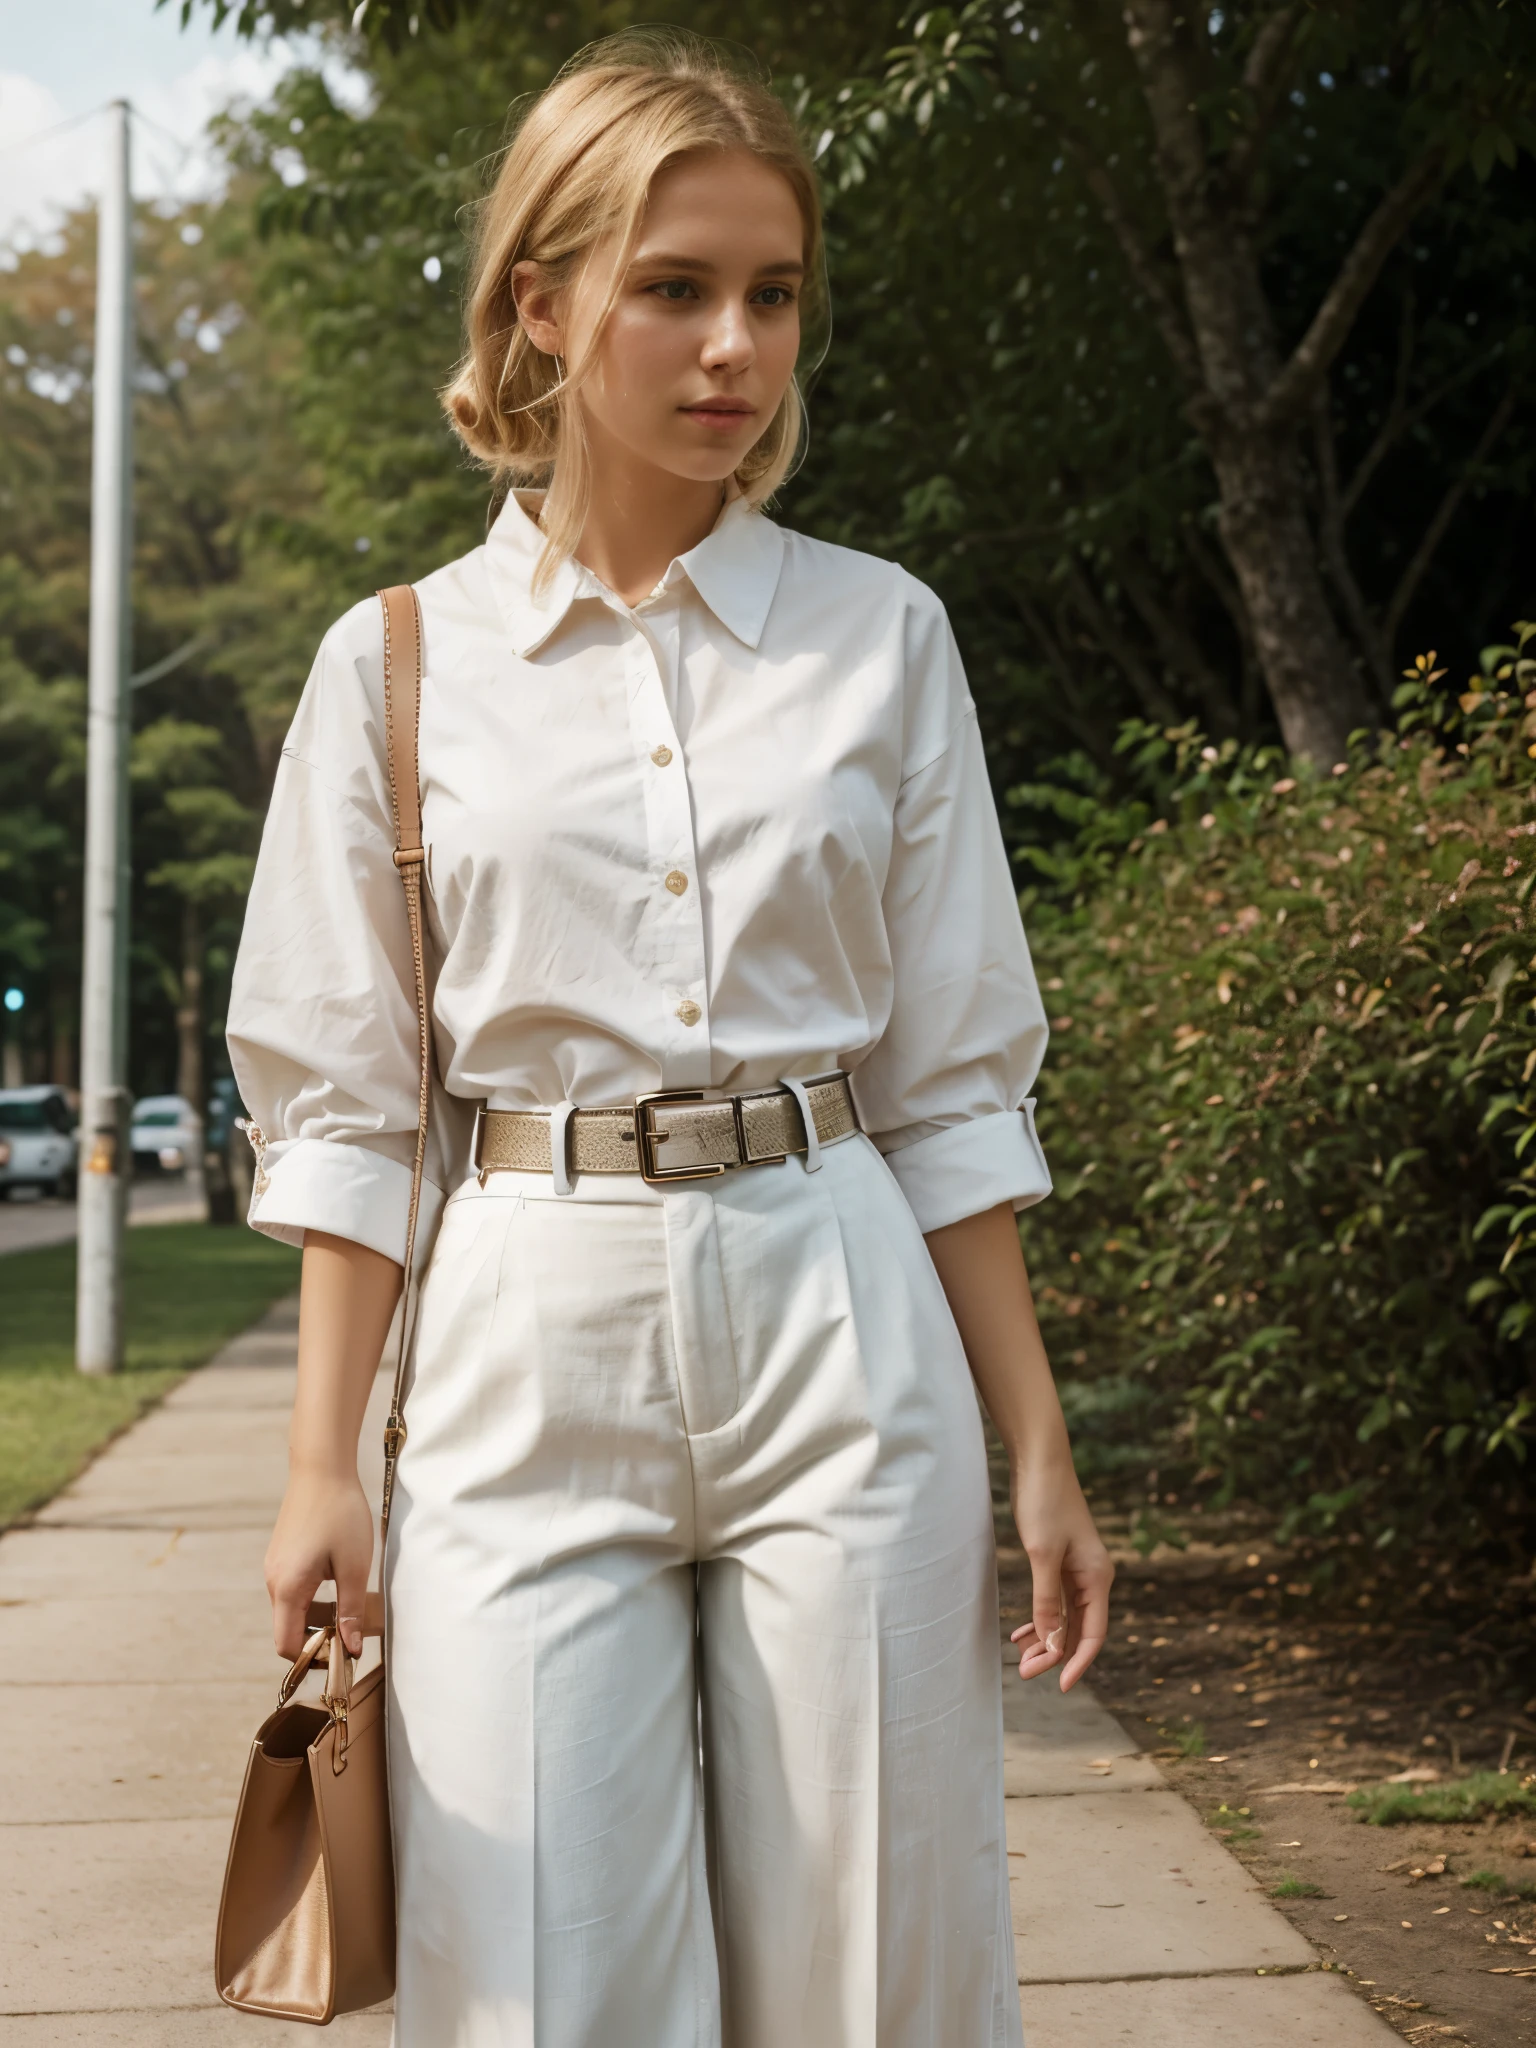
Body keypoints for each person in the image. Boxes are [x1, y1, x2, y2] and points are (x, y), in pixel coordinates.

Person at [227, 30, 1113, 2047]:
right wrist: (320, 1470)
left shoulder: (880, 635)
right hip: (527, 1333)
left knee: (879, 1971)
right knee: (539, 1972)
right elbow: (353, 1111)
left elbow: (950, 1076)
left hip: (838, 1301)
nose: (734, 347)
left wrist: (1036, 1437)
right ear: (541, 306)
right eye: (675, 287)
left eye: (772, 295)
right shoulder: (395, 668)